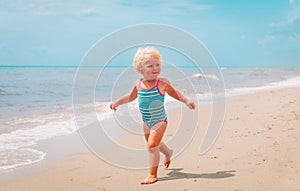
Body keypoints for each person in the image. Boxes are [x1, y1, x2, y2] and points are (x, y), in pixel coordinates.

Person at [110, 46, 196, 184]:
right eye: (150, 66)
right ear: (140, 70)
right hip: (146, 121)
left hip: (159, 120)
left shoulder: (161, 83)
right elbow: (131, 97)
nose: (155, 68)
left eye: (157, 65)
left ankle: (152, 174)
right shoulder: (138, 84)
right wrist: (117, 103)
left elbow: (175, 93)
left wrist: (186, 100)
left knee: (151, 146)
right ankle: (168, 152)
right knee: (154, 145)